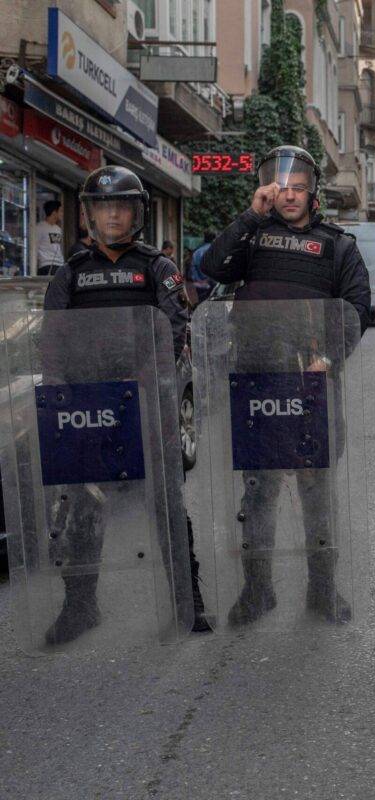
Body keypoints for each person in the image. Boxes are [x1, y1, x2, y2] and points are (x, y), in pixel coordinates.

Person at [201, 144, 370, 627]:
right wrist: (249, 218)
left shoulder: (338, 245)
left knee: (317, 491)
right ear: (266, 191)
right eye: (280, 188)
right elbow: (212, 268)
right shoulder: (252, 239)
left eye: (298, 188)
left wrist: (330, 357)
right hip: (257, 381)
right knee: (258, 492)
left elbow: (356, 311)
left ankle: (323, 591)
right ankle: (257, 591)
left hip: (312, 385)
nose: (289, 196)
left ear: (313, 193)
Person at [41, 165, 211, 643]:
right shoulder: (70, 274)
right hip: (88, 407)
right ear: (89, 214)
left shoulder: (158, 268)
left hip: (145, 404)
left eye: (121, 206)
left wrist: (142, 381)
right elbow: (51, 340)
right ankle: (79, 607)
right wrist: (59, 389)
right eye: (103, 206)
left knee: (167, 506)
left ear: (137, 212)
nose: (112, 214)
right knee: (81, 509)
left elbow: (175, 329)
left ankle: (188, 602)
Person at [35, 199, 65, 276]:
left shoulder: (58, 229)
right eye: (61, 211)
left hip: (59, 264)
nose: (62, 214)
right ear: (54, 213)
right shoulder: (39, 227)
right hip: (45, 264)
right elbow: (35, 248)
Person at [189, 231, 215, 303]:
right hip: (213, 284)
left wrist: (199, 280)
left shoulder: (197, 252)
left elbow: (193, 268)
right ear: (213, 239)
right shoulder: (215, 251)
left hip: (199, 284)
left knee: (201, 302)